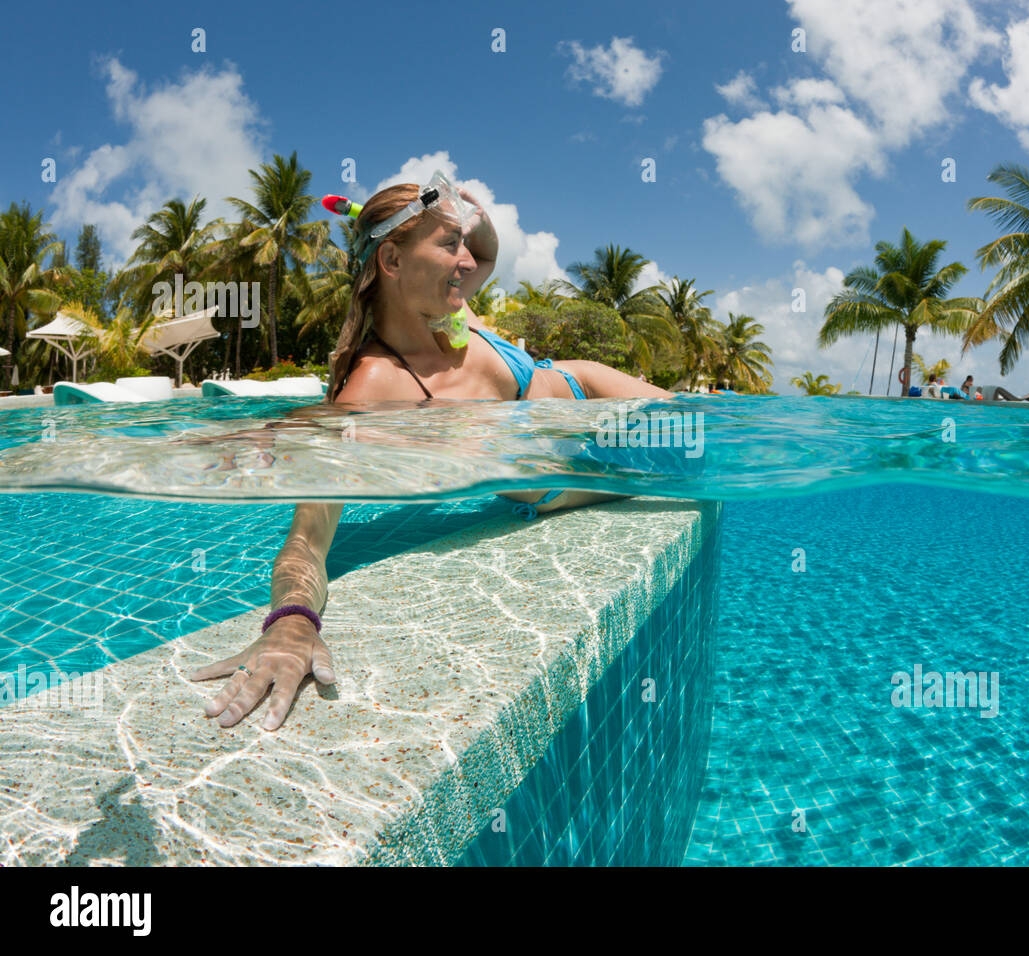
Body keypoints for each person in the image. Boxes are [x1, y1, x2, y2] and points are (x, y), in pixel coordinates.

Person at [191, 175, 671, 731]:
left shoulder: (452, 306)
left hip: (587, 388)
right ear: (392, 260)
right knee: (683, 462)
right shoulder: (372, 391)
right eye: (449, 245)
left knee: (701, 430)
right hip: (574, 476)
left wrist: (468, 213)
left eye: (463, 245)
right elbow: (307, 541)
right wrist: (292, 622)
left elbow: (487, 247)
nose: (468, 262)